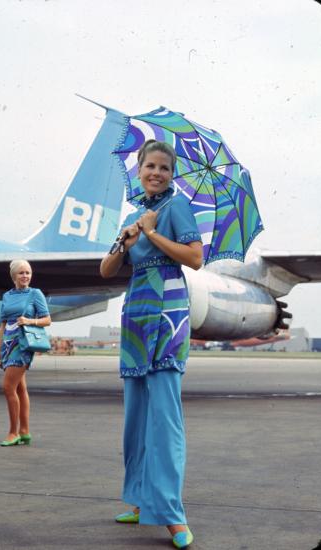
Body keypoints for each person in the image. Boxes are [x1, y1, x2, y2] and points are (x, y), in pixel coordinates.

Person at [100, 140, 203, 549]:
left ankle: (172, 514)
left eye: (164, 167)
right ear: (139, 170)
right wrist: (126, 240)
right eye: (150, 166)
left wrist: (153, 233)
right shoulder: (132, 214)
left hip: (169, 313)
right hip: (136, 314)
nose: (156, 173)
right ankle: (141, 501)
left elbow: (194, 258)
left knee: (165, 419)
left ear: (171, 173)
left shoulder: (175, 208)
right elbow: (107, 270)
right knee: (135, 418)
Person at [0, 260, 51, 446]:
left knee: (8, 387)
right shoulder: (7, 296)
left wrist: (29, 321)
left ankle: (13, 432)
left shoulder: (35, 294)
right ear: (14, 276)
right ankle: (25, 431)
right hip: (8, 344)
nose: (25, 276)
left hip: (23, 344)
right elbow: (3, 323)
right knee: (20, 388)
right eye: (21, 273)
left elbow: (47, 319)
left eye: (28, 272)